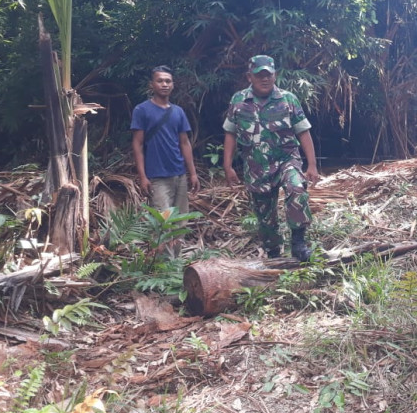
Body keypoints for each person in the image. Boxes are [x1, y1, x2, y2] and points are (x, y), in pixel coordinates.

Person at [223, 55, 320, 261]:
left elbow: (303, 131)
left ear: (275, 75)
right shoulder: (238, 101)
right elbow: (230, 133)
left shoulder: (288, 99)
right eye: (260, 75)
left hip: (286, 160)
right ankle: (274, 252)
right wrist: (228, 165)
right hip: (256, 167)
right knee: (265, 216)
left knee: (296, 188)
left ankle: (299, 242)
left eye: (269, 75)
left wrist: (311, 164)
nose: (265, 79)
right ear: (250, 76)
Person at [131, 65, 200, 216]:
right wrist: (143, 176)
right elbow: (138, 144)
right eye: (160, 81)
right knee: (162, 222)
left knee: (180, 218)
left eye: (168, 81)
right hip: (157, 176)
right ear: (152, 84)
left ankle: (180, 241)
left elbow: (184, 143)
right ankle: (163, 242)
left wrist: (193, 173)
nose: (164, 84)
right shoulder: (141, 110)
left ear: (173, 85)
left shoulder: (178, 111)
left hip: (179, 174)